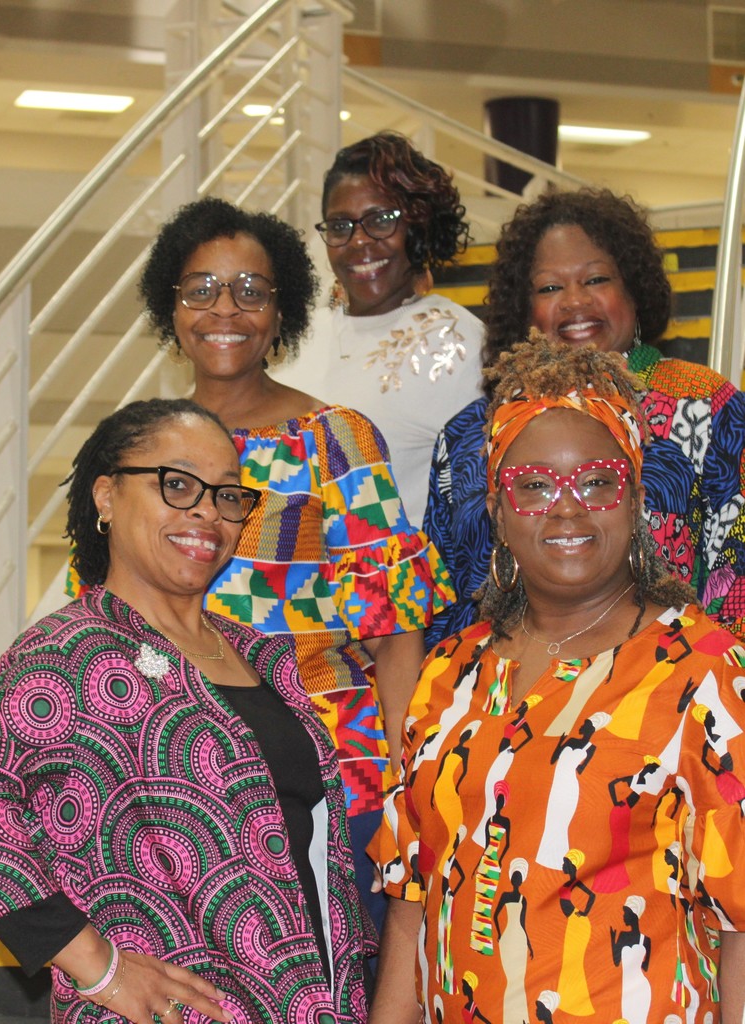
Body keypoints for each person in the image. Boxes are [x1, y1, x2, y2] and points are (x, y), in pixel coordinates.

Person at [0, 398, 370, 1024]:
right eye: (177, 485)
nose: (207, 512)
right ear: (106, 496)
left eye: (227, 495)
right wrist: (96, 965)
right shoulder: (71, 650)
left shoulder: (260, 653)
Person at [370, 341, 745, 1024]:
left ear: (634, 498)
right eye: (535, 486)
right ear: (498, 509)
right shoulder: (450, 673)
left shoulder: (706, 670)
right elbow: (409, 906)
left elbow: (741, 925)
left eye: (596, 481)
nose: (566, 509)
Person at [138, 197, 454, 933]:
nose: (226, 309)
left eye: (251, 290)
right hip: (184, 782)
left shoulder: (333, 439)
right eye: (202, 288)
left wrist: (404, 784)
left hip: (330, 772)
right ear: (172, 307)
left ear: (283, 312)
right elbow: (118, 623)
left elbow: (396, 625)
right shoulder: (141, 452)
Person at [424, 187, 745, 646]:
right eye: (550, 287)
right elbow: (440, 601)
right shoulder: (466, 435)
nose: (575, 301)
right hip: (503, 694)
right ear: (523, 309)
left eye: (596, 280)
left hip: (671, 695)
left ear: (634, 289)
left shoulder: (705, 406)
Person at [271, 131, 484, 523]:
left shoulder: (455, 340)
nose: (358, 242)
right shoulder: (298, 332)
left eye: (380, 221)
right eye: (340, 226)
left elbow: (475, 508)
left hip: (393, 580)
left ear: (418, 227)